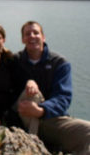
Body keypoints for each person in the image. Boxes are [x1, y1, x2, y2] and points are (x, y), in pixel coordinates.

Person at [16, 20, 90, 154]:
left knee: (87, 132)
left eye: (36, 33)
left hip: (51, 120)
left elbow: (63, 98)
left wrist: (41, 110)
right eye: (28, 34)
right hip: (22, 117)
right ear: (22, 39)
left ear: (43, 37)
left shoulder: (60, 63)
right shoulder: (15, 60)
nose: (32, 36)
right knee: (32, 94)